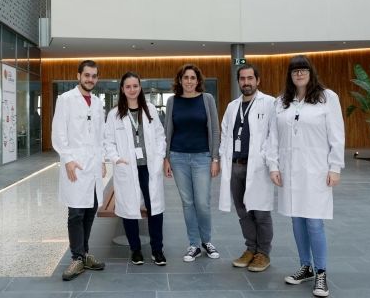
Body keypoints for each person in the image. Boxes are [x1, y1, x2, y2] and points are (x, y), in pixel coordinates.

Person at [266, 55, 345, 298]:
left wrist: (335, 167)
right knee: (297, 220)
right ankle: (306, 266)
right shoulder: (281, 102)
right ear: (290, 75)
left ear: (311, 73)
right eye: (294, 71)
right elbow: (273, 137)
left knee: (314, 222)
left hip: (316, 171)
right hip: (290, 172)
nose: (299, 74)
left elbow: (337, 135)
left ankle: (321, 272)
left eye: (303, 70)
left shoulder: (327, 98)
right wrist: (273, 166)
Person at [104, 72, 167, 266]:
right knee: (129, 208)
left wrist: (159, 157)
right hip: (127, 167)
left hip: (149, 167)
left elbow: (160, 136)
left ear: (140, 88)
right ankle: (136, 249)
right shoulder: (114, 114)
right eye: (128, 86)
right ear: (122, 90)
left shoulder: (150, 110)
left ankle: (157, 250)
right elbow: (108, 142)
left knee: (154, 208)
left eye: (135, 86)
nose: (132, 90)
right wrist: (117, 159)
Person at [52, 59, 107, 281]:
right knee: (76, 212)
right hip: (75, 164)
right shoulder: (65, 99)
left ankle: (84, 254)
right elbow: (58, 132)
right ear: (79, 76)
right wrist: (67, 160)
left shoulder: (98, 103)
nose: (90, 79)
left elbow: (100, 134)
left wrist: (102, 160)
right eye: (87, 75)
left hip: (93, 165)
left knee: (90, 209)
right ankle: (76, 258)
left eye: (94, 76)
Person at [218, 63, 275, 272]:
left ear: (257, 80)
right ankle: (251, 249)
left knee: (260, 212)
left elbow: (273, 136)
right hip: (235, 166)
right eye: (242, 79)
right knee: (243, 212)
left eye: (250, 78)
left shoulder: (269, 103)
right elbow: (225, 134)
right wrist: (222, 158)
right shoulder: (232, 106)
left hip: (258, 167)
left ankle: (263, 253)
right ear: (238, 82)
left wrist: (266, 160)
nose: (246, 82)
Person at [163, 64, 221, 262]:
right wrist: (166, 158)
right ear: (180, 80)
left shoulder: (207, 99)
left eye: (192, 78)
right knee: (187, 203)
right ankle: (194, 244)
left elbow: (215, 130)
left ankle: (207, 241)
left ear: (198, 81)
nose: (189, 81)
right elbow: (168, 130)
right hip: (178, 157)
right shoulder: (172, 101)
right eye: (185, 77)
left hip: (202, 157)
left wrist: (215, 158)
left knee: (202, 202)